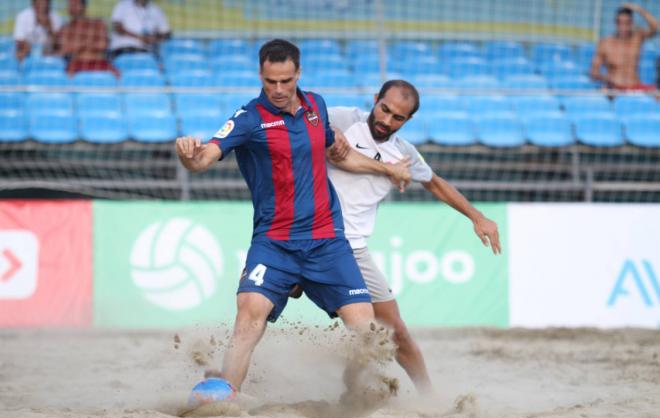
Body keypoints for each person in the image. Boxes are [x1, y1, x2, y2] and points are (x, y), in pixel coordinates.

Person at [175, 39, 411, 393]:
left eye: (286, 80)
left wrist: (387, 169)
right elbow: (203, 159)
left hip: (327, 241)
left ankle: (355, 392)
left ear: (298, 73)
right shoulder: (249, 118)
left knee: (365, 330)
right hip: (275, 243)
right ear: (261, 75)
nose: (279, 89)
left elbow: (337, 155)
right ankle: (224, 394)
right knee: (249, 315)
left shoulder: (317, 105)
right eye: (271, 81)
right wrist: (187, 154)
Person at [290, 80, 502, 394]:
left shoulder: (403, 154)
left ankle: (429, 400)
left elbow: (435, 183)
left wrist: (477, 216)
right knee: (260, 302)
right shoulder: (342, 120)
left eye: (397, 117)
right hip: (306, 235)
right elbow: (296, 116)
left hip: (352, 248)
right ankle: (228, 375)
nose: (387, 120)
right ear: (374, 100)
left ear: (408, 121)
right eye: (384, 109)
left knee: (393, 332)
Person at [590, 3, 658, 91]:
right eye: (620, 23)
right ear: (615, 23)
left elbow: (655, 26)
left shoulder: (637, 37)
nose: (623, 27)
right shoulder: (605, 43)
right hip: (614, 88)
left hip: (635, 86)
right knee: (602, 92)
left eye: (627, 23)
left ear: (632, 23)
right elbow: (593, 72)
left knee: (656, 94)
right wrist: (606, 78)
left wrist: (637, 9)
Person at [56, 0, 118, 77]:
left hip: (99, 62)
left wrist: (79, 44)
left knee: (117, 77)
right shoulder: (65, 28)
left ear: (84, 6)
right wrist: (91, 41)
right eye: (70, 5)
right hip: (76, 65)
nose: (72, 7)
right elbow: (65, 49)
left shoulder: (98, 24)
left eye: (75, 4)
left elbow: (103, 45)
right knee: (66, 80)